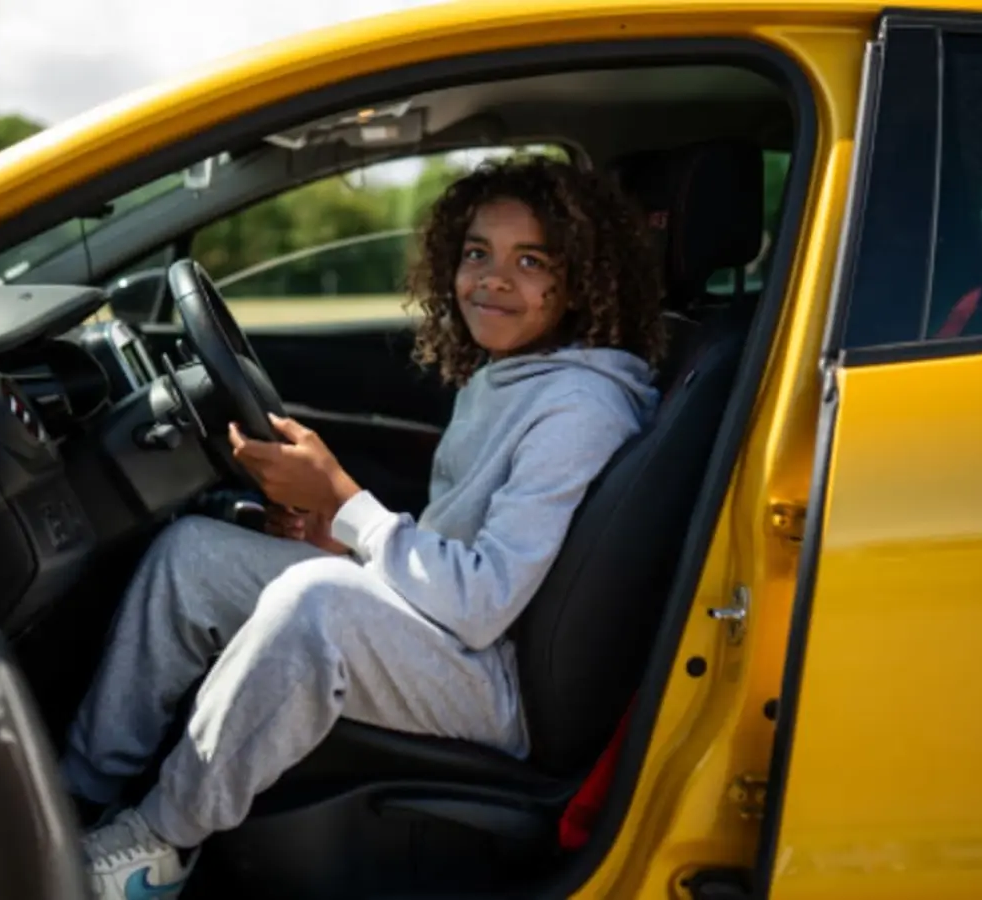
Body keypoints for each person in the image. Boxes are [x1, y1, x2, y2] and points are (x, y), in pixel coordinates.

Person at [62, 156, 667, 899]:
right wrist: (339, 533)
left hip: (499, 681)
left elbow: (482, 605)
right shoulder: (514, 378)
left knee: (316, 604)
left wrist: (345, 500)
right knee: (195, 556)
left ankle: (156, 845)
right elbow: (462, 547)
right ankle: (76, 801)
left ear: (579, 280)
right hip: (460, 635)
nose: (493, 279)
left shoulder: (579, 408)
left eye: (530, 260)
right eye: (477, 253)